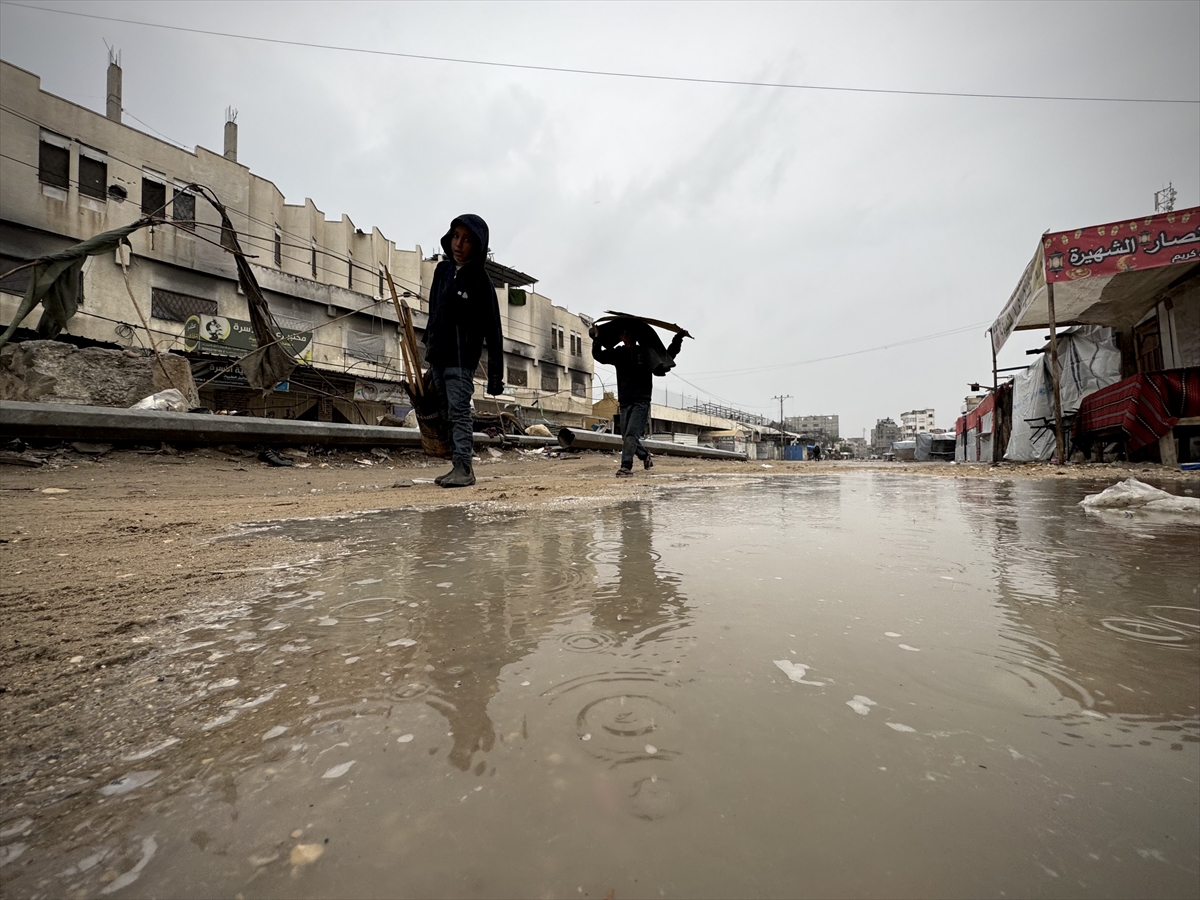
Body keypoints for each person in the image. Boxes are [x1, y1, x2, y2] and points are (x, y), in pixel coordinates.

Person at [423, 214, 504, 488]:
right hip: (439, 357)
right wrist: (429, 355)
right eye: (456, 236)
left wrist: (495, 377)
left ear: (478, 245)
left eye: (467, 239)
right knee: (445, 412)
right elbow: (433, 314)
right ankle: (455, 465)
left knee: (459, 412)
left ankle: (464, 468)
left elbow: (494, 331)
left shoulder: (482, 282)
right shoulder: (442, 271)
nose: (459, 244)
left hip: (461, 360)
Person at [590, 321, 684, 477]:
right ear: (621, 336)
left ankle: (626, 467)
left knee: (631, 435)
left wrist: (678, 338)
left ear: (634, 335)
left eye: (628, 331)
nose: (625, 334)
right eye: (623, 332)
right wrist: (597, 338)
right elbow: (598, 356)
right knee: (627, 436)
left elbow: (668, 356)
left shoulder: (646, 352)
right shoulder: (618, 353)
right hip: (625, 401)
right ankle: (645, 456)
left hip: (641, 401)